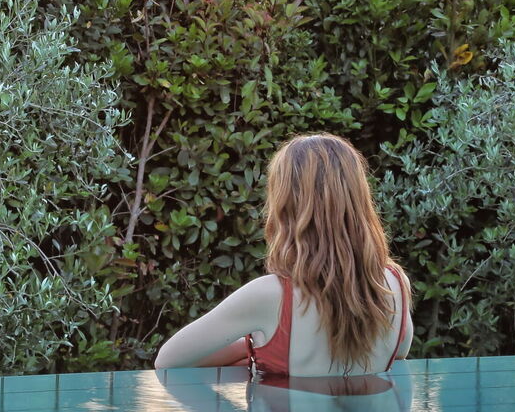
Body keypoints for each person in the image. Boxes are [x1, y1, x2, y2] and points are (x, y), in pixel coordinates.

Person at [153, 134, 413, 377]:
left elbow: (167, 361)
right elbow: (399, 354)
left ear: (285, 206)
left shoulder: (268, 295)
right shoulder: (395, 284)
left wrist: (252, 347)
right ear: (359, 198)